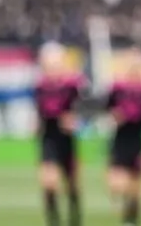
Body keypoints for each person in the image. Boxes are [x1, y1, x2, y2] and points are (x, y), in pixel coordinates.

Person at [33, 43, 86, 226]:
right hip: (48, 138)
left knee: (72, 184)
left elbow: (84, 107)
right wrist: (36, 124)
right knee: (49, 183)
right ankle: (53, 221)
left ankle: (75, 219)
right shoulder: (40, 86)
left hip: (66, 140)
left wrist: (74, 120)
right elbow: (39, 110)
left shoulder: (72, 85)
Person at [105, 48, 141, 226]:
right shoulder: (117, 88)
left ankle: (131, 221)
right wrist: (115, 116)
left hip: (139, 142)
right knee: (117, 186)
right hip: (120, 141)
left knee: (136, 190)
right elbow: (107, 109)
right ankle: (128, 213)